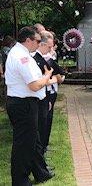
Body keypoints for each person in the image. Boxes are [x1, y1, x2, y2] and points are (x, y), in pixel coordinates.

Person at [5, 27, 55, 185]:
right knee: (24, 145)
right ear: (28, 40)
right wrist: (47, 77)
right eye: (38, 41)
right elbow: (34, 85)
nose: (39, 44)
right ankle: (20, 181)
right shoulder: (21, 57)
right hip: (24, 104)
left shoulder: (22, 54)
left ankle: (40, 173)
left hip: (24, 103)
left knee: (32, 142)